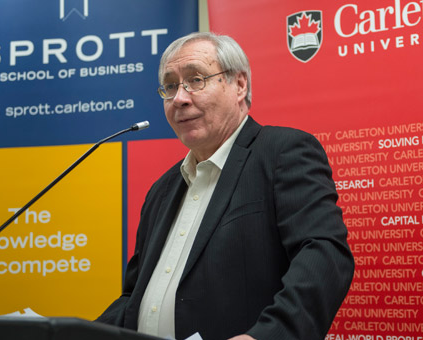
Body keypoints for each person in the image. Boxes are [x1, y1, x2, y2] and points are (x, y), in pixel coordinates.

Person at [96, 32, 354, 340]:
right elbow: (132, 296)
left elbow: (324, 256)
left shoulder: (282, 151)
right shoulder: (161, 190)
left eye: (196, 79)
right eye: (170, 86)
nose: (180, 98)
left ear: (239, 85)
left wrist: (265, 336)